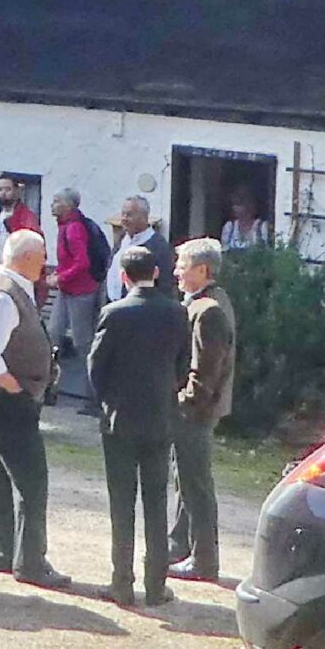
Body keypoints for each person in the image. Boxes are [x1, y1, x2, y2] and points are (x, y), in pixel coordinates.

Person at [89, 243, 188, 607]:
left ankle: (122, 582)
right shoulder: (177, 312)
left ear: (123, 276)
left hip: (120, 419)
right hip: (160, 417)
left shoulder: (114, 313)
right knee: (156, 501)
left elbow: (96, 367)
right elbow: (183, 364)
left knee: (122, 503)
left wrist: (108, 400)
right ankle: (156, 585)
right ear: (156, 273)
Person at [0, 229, 69, 589]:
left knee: (3, 474)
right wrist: (16, 389)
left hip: (7, 397)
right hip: (6, 400)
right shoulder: (3, 294)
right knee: (32, 481)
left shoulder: (10, 287)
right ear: (26, 258)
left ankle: (2, 551)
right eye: (42, 256)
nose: (46, 263)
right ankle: (31, 562)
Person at [169, 239, 238, 584]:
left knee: (195, 484)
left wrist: (183, 403)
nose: (176, 272)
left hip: (195, 412)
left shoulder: (208, 309)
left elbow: (205, 371)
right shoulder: (207, 302)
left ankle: (203, 561)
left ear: (202, 270)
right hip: (196, 410)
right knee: (185, 479)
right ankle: (179, 545)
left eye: (182, 266)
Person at [45, 186, 109, 413]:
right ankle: (48, 387)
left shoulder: (74, 228)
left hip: (81, 291)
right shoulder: (66, 225)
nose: (52, 205)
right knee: (53, 334)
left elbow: (82, 262)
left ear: (68, 205)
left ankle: (94, 397)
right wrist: (59, 275)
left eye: (56, 201)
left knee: (83, 343)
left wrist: (60, 277)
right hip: (67, 289)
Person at [105, 195, 174, 298]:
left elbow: (164, 285)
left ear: (144, 217)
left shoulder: (157, 246)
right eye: (123, 214)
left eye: (129, 215)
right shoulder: (123, 239)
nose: (124, 219)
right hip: (115, 303)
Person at [220, 185, 272, 252]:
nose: (234, 208)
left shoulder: (261, 227)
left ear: (250, 205)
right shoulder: (229, 228)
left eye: (239, 204)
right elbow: (224, 252)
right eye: (233, 204)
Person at [0, 173, 39, 240]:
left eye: (8, 189)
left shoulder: (27, 218)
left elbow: (33, 241)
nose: (3, 193)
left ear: (16, 191)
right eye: (0, 189)